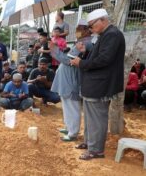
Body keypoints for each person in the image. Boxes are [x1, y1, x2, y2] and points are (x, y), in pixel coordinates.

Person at [70, 8, 125, 160]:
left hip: (101, 84)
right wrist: (84, 53)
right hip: (94, 83)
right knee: (89, 117)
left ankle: (96, 150)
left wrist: (81, 63)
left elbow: (104, 60)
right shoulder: (104, 35)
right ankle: (89, 143)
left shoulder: (112, 35)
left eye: (92, 24)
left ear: (103, 20)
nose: (90, 28)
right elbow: (97, 56)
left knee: (97, 118)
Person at [50, 18, 92, 142]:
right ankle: (69, 128)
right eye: (77, 28)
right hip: (66, 80)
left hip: (72, 80)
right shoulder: (80, 41)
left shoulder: (85, 43)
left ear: (87, 30)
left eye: (80, 28)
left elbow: (68, 61)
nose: (77, 30)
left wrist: (54, 49)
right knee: (66, 105)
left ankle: (73, 133)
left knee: (72, 106)